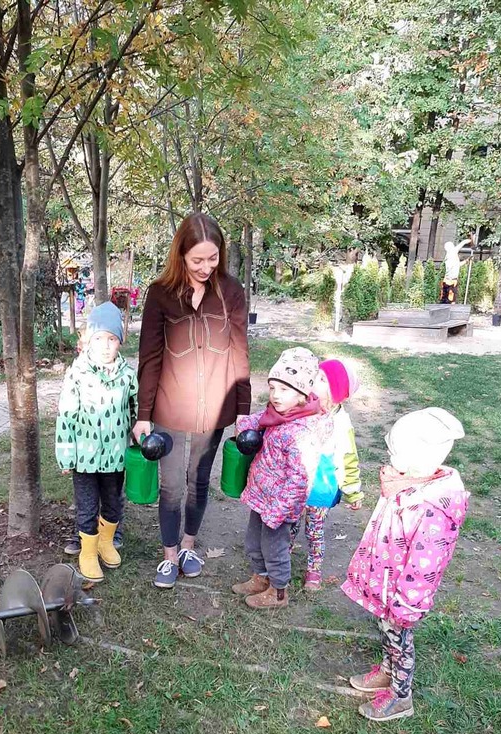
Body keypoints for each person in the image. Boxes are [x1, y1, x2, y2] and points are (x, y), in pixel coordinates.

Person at [134, 213, 250, 589]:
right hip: (170, 405)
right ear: (181, 254)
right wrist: (143, 414)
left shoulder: (231, 291)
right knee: (171, 485)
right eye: (197, 259)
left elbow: (239, 353)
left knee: (198, 480)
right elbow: (150, 357)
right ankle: (169, 556)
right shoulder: (160, 294)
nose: (205, 267)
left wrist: (243, 412)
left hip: (214, 406)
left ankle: (188, 547)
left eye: (212, 258)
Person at [342, 408, 469, 721]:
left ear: (420, 456)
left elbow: (424, 568)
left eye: (395, 451)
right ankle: (388, 672)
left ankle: (401, 696)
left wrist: (407, 605)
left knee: (400, 640)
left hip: (402, 595)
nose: (389, 456)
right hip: (386, 581)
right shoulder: (406, 483)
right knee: (386, 631)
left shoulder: (432, 507)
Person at [232, 348, 333, 609]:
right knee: (254, 541)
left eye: (284, 389)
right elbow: (255, 420)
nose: (276, 395)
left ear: (302, 394)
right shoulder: (277, 414)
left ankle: (278, 592)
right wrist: (245, 427)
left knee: (274, 548)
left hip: (279, 505)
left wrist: (279, 511)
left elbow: (299, 480)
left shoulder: (303, 432)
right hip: (262, 495)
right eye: (272, 387)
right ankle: (260, 578)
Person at [55, 302, 138, 583]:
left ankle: (105, 542)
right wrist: (66, 454)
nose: (105, 346)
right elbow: (66, 414)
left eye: (112, 339)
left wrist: (140, 432)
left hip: (115, 456)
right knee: (88, 506)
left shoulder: (127, 375)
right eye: (99, 338)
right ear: (89, 340)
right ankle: (88, 552)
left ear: (120, 342)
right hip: (85, 457)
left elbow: (136, 410)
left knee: (113, 503)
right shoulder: (78, 373)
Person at [290, 358, 364, 591]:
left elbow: (349, 459)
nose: (314, 380)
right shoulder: (302, 407)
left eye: (322, 379)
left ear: (336, 393)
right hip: (295, 482)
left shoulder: (341, 423)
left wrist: (352, 492)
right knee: (289, 525)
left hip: (322, 486)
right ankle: (281, 558)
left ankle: (314, 570)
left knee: (315, 531)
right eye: (316, 375)